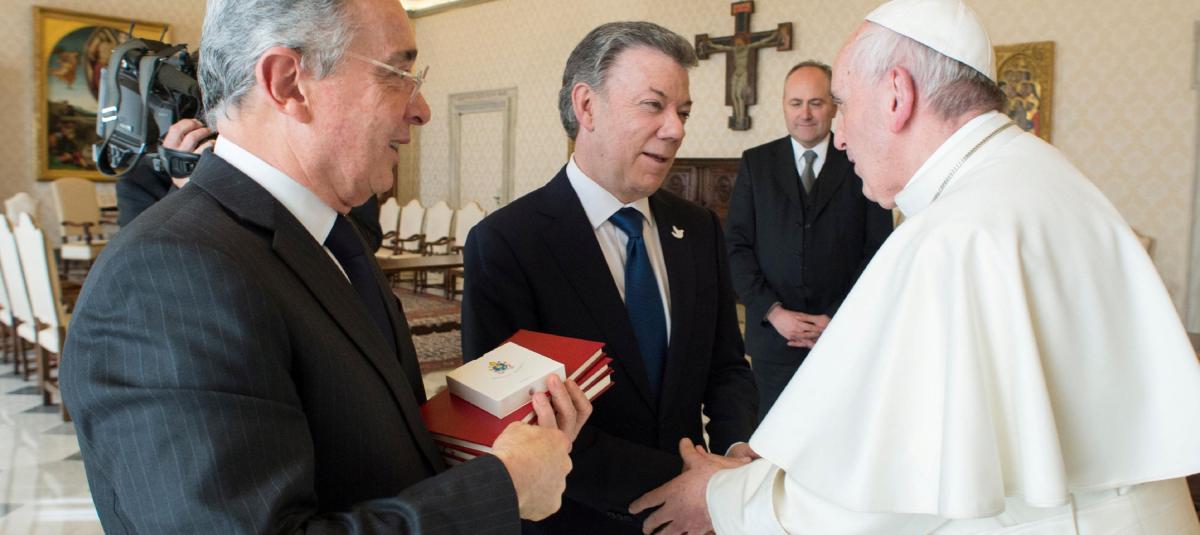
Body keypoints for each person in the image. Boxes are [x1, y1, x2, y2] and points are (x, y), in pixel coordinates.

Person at [629, 0, 1200, 533]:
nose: (839, 135)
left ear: (897, 96)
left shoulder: (954, 235)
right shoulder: (1038, 175)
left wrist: (721, 499)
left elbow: (880, 496)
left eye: (843, 104)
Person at [61, 0, 592, 532]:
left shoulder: (335, 239)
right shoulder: (167, 276)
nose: (421, 109)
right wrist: (503, 487)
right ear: (288, 83)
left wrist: (485, 441)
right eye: (397, 74)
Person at [461, 21, 757, 534]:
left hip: (696, 517)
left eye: (683, 112)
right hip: (576, 520)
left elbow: (726, 366)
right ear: (587, 106)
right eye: (653, 105)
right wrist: (690, 483)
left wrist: (737, 452)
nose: (675, 129)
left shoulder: (698, 228)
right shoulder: (508, 242)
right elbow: (521, 420)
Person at [725, 60, 892, 419]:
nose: (805, 113)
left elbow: (879, 251)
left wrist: (836, 317)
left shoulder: (862, 161)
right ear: (784, 106)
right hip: (773, 339)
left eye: (816, 103)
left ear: (833, 106)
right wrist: (773, 311)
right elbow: (736, 247)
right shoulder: (756, 163)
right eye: (795, 103)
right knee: (772, 438)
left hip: (843, 337)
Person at [116, 118, 385, 251]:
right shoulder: (141, 176)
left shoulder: (306, 155)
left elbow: (367, 239)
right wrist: (190, 189)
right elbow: (145, 259)